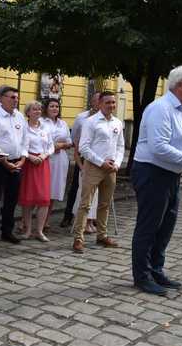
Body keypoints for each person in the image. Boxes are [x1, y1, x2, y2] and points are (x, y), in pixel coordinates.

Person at [131, 66, 182, 295]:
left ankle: (156, 270)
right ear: (179, 84)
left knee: (165, 227)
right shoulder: (160, 109)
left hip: (171, 174)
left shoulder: (181, 110)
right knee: (149, 226)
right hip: (152, 172)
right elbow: (159, 148)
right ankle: (142, 276)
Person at [71, 91, 124, 254]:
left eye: (113, 102)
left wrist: (117, 163)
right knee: (85, 204)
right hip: (94, 166)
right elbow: (83, 148)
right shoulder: (91, 122)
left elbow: (120, 146)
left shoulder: (117, 122)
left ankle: (102, 235)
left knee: (105, 204)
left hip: (111, 168)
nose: (111, 105)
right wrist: (101, 163)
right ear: (100, 104)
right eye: (108, 102)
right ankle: (78, 239)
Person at [0, 86, 27, 245]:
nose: (15, 100)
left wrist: (23, 159)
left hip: (17, 162)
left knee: (11, 200)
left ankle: (7, 231)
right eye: (12, 97)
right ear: (1, 98)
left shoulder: (19, 116)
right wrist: (5, 162)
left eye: (16, 97)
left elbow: (25, 140)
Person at [60, 91, 101, 227]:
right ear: (92, 101)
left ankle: (91, 218)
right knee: (76, 188)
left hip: (99, 159)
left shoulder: (106, 118)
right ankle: (68, 215)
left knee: (96, 190)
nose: (99, 103)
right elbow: (75, 137)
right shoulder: (81, 117)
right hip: (83, 157)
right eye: (96, 100)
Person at [18, 101, 54, 242]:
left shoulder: (45, 128)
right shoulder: (24, 128)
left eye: (39, 109)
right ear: (28, 112)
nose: (38, 111)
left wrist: (44, 155)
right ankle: (27, 230)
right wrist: (30, 156)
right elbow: (20, 146)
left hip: (43, 164)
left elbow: (50, 146)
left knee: (44, 199)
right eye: (34, 109)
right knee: (28, 199)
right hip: (29, 164)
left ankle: (39, 231)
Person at [40, 98, 72, 229]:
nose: (55, 109)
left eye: (57, 106)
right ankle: (29, 221)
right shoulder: (41, 122)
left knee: (53, 190)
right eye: (52, 106)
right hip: (46, 159)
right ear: (46, 108)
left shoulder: (63, 123)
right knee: (42, 190)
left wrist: (61, 145)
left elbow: (70, 141)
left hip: (60, 160)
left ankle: (45, 220)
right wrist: (55, 146)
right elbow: (40, 141)